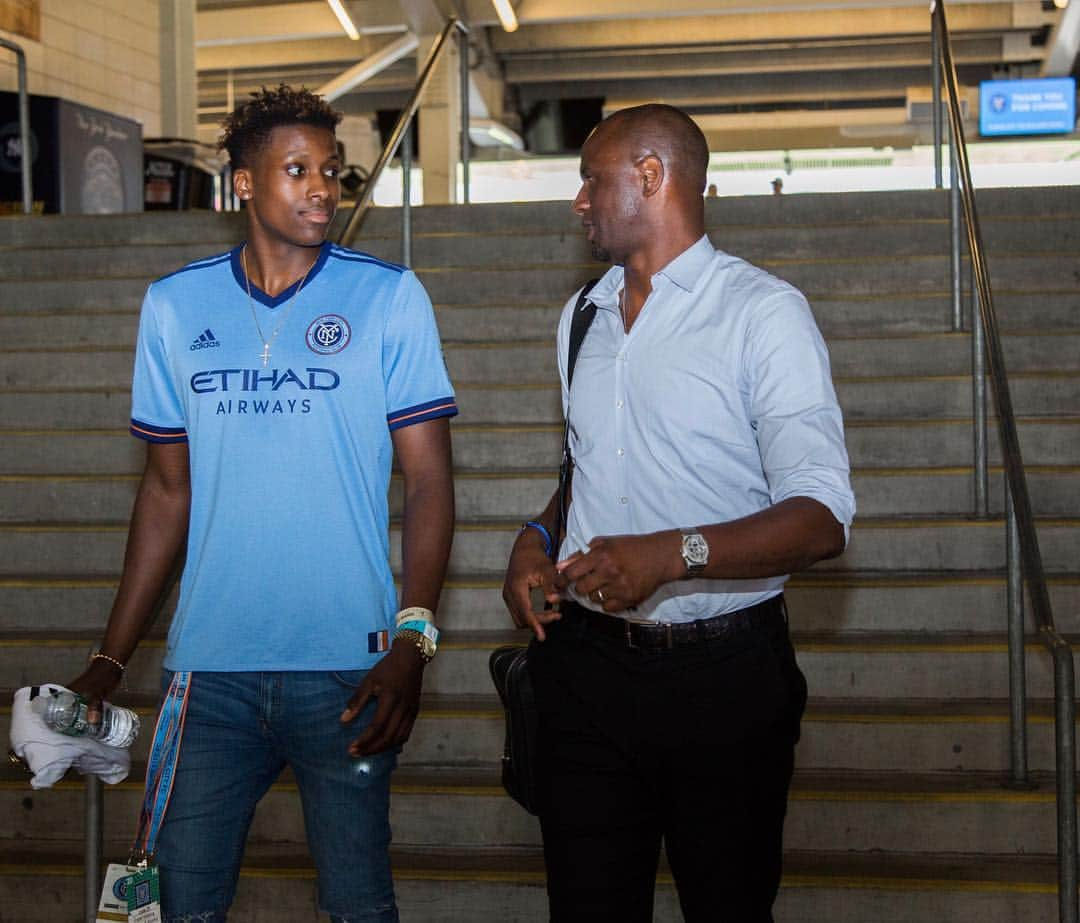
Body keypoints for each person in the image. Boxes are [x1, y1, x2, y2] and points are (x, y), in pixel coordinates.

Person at [65, 85, 457, 922]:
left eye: (333, 170)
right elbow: (167, 490)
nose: (323, 187)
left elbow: (428, 480)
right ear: (242, 182)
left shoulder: (388, 298)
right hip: (209, 675)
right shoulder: (175, 305)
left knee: (359, 905)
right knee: (175, 907)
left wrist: (415, 637)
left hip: (350, 668)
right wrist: (111, 654)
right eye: (297, 169)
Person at [502, 104, 855, 922]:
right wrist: (536, 537)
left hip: (723, 680)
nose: (579, 200)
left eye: (592, 177)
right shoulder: (581, 315)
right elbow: (586, 469)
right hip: (584, 672)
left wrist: (674, 554)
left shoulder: (762, 313)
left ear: (652, 176)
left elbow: (822, 514)